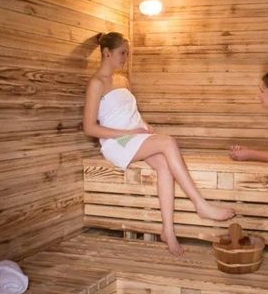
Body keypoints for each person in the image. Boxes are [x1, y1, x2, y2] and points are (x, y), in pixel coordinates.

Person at [83, 32, 234, 256]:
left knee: (164, 164)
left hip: (135, 136)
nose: (126, 57)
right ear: (107, 53)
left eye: (127, 53)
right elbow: (89, 128)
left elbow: (129, 112)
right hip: (118, 142)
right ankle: (200, 205)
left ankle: (168, 232)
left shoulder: (123, 80)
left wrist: (145, 126)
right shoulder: (96, 84)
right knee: (168, 141)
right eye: (122, 53)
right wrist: (129, 132)